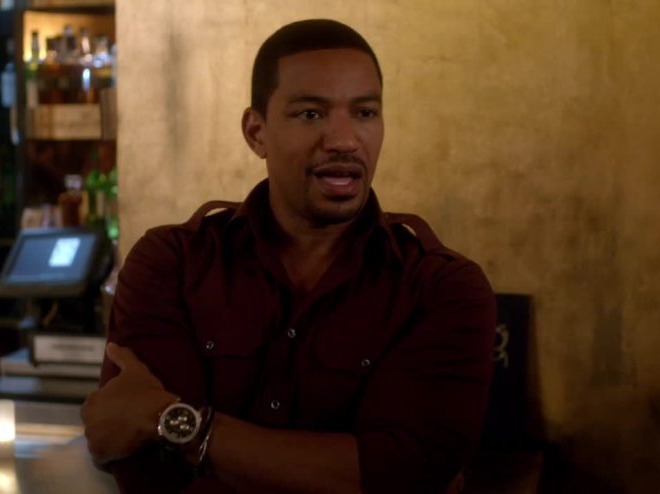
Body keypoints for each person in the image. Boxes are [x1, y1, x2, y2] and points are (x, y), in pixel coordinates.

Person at [81, 18, 496, 494]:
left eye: (364, 112)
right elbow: (141, 465)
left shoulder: (442, 287)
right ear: (256, 132)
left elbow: (409, 472)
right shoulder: (171, 263)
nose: (343, 140)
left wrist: (182, 426)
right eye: (310, 114)